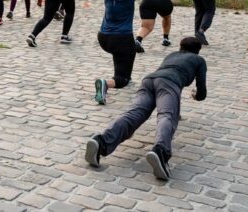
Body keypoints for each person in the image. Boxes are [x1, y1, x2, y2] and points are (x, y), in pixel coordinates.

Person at [85, 37, 207, 181]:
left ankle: (101, 142)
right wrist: (195, 95)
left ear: (180, 47)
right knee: (166, 116)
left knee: (134, 114)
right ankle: (160, 151)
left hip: (149, 81)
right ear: (198, 51)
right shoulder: (199, 60)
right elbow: (201, 92)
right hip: (169, 84)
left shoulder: (171, 55)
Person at [94, 0, 148, 104]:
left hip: (103, 38)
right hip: (122, 39)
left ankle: (123, 74)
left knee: (121, 57)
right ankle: (107, 84)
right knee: (122, 79)